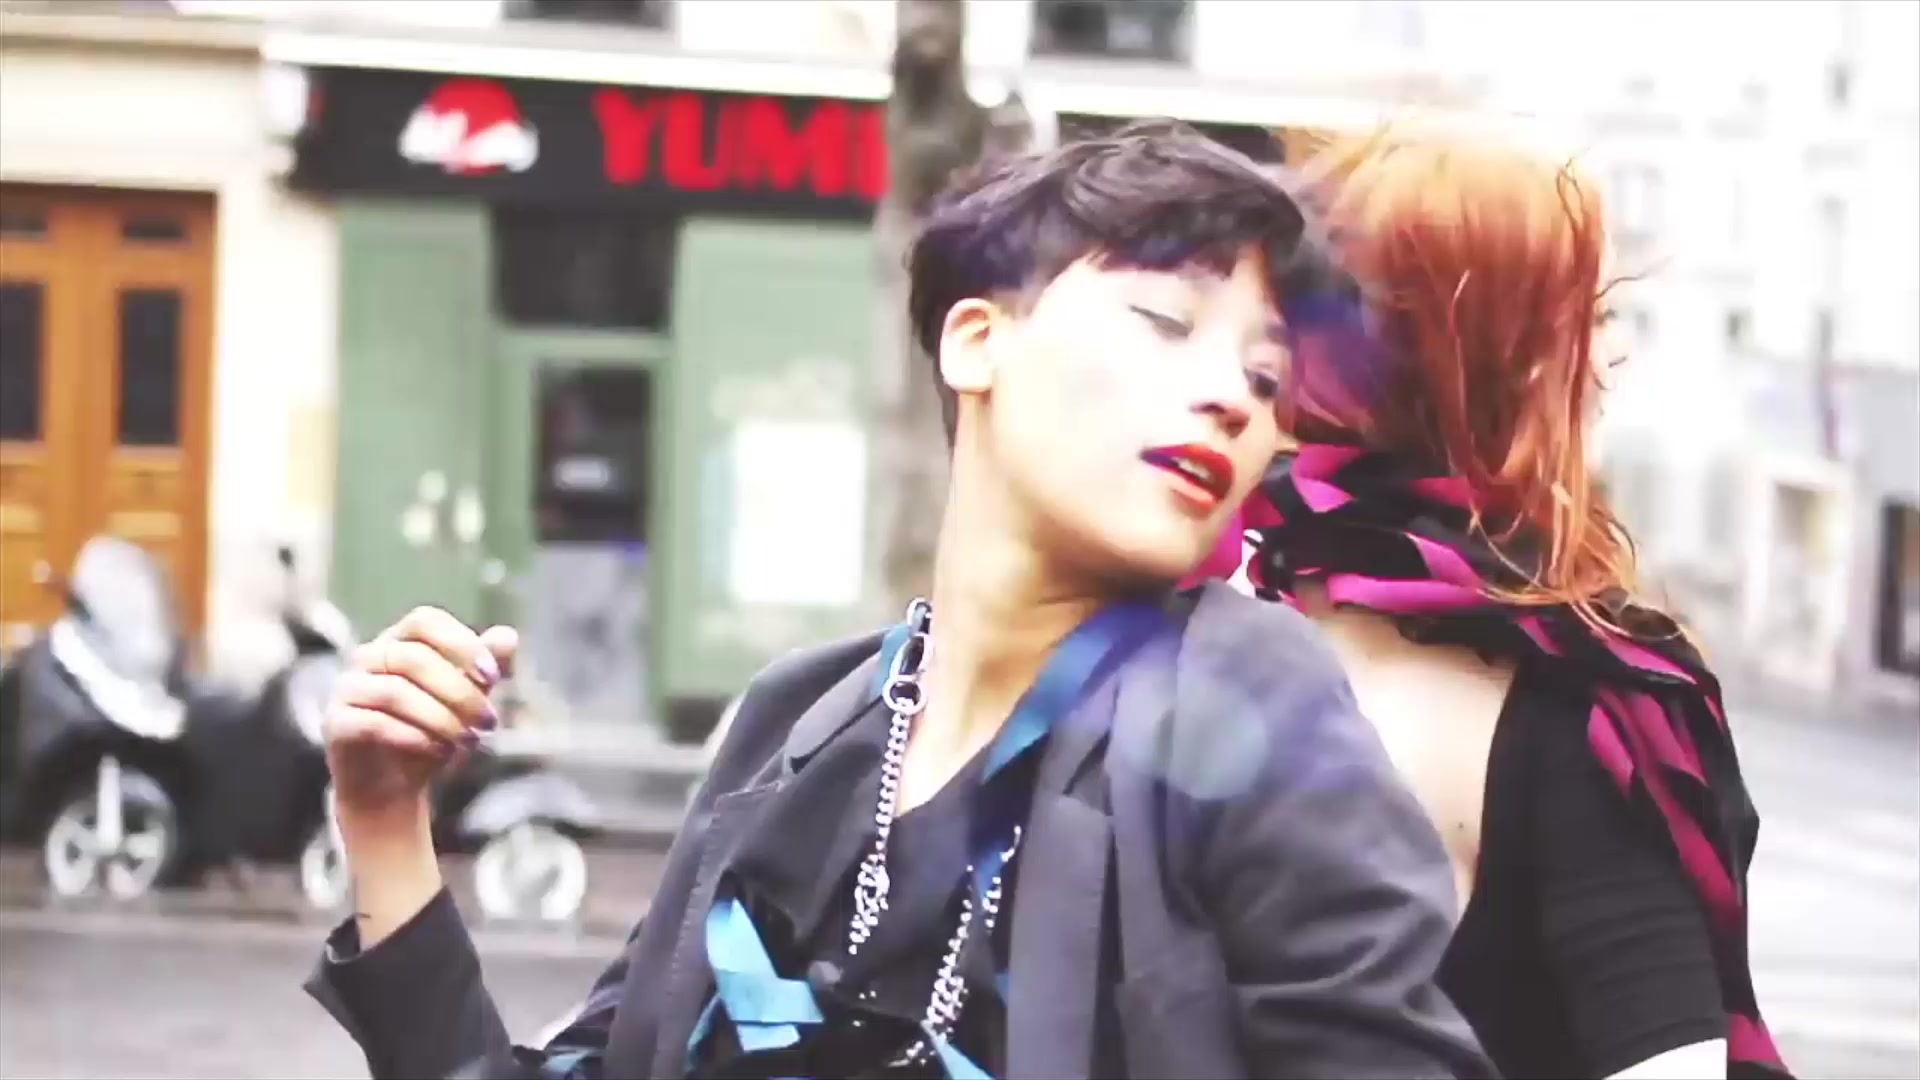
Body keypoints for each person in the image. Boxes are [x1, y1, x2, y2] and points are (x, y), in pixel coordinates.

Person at [305, 124, 1495, 1079]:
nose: (1234, 399)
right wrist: (385, 819)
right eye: (1168, 322)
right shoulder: (799, 721)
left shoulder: (1247, 699)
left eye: (1267, 376)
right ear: (977, 342)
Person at [1224, 130, 1788, 1080]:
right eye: (1584, 318)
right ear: (1494, 360)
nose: (1609, 358)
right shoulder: (1577, 698)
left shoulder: (1184, 622)